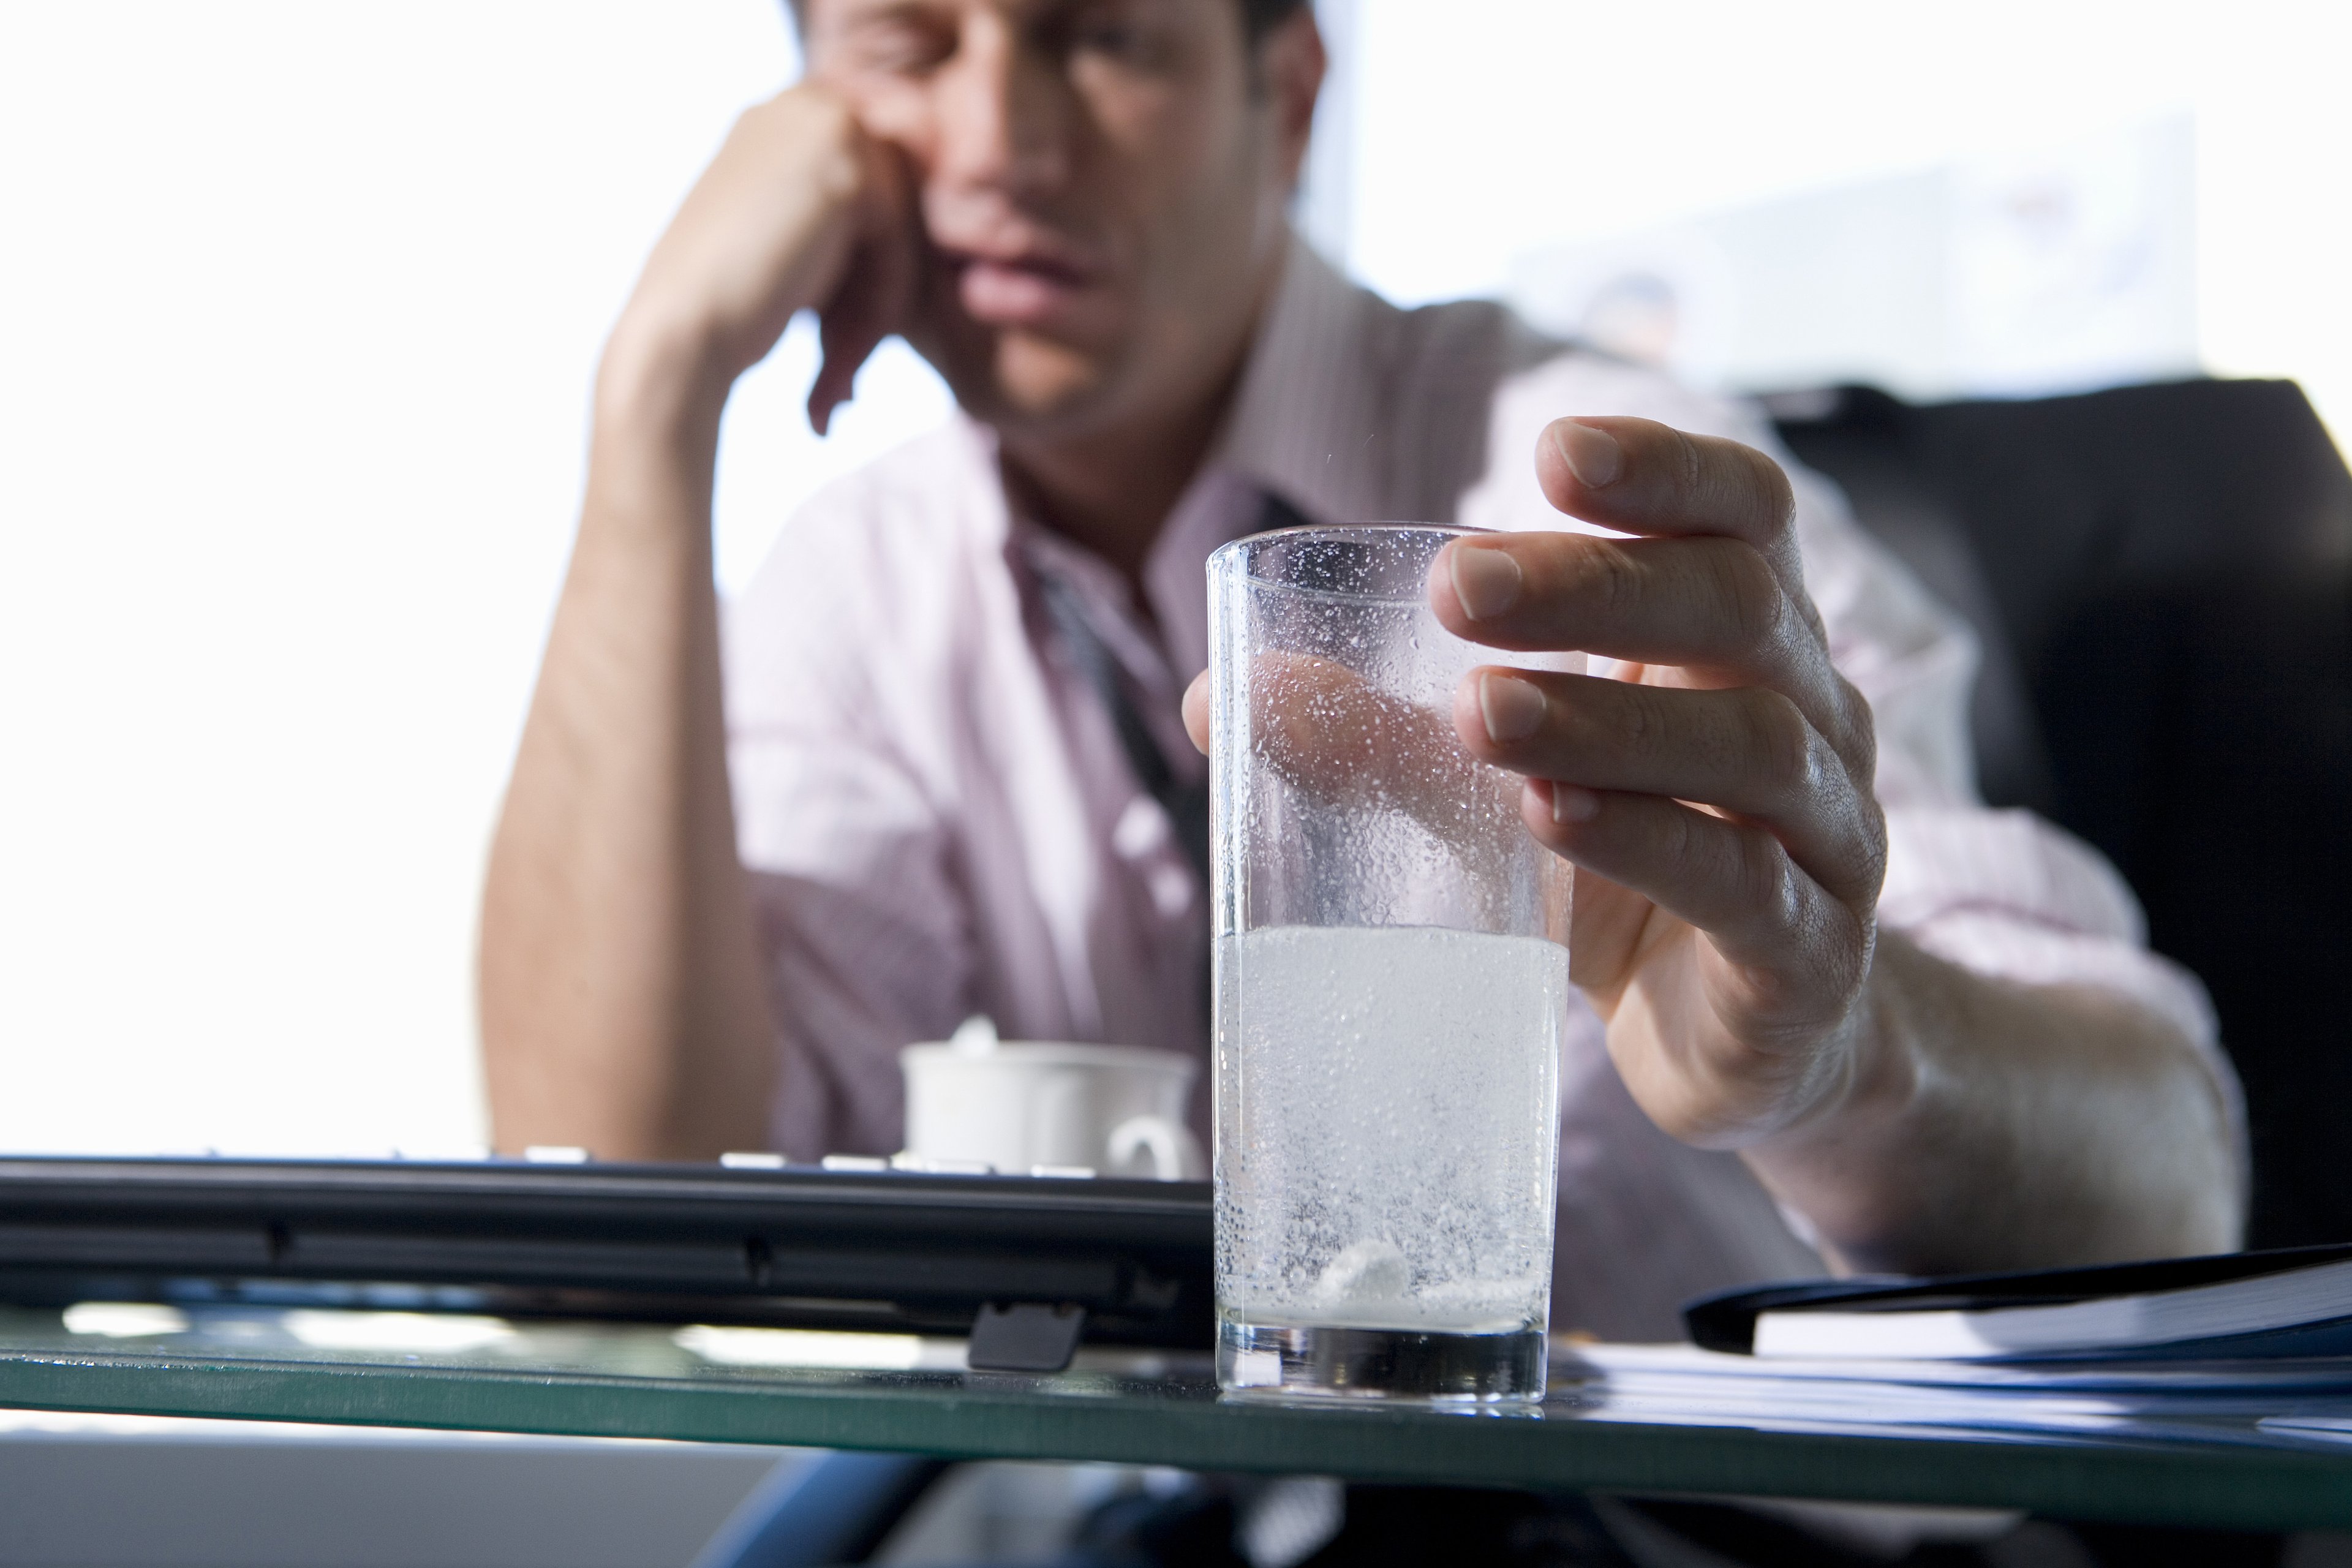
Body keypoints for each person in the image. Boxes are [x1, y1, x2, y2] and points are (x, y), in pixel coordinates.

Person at [478, 0, 2242, 1340]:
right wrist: (653, 409)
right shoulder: (861, 586)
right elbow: (619, 1208)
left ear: (1290, 93)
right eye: (911, 45)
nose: (1001, 143)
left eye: (1101, 37)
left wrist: (1841, 1051)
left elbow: (2174, 1182)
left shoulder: (1572, 485)